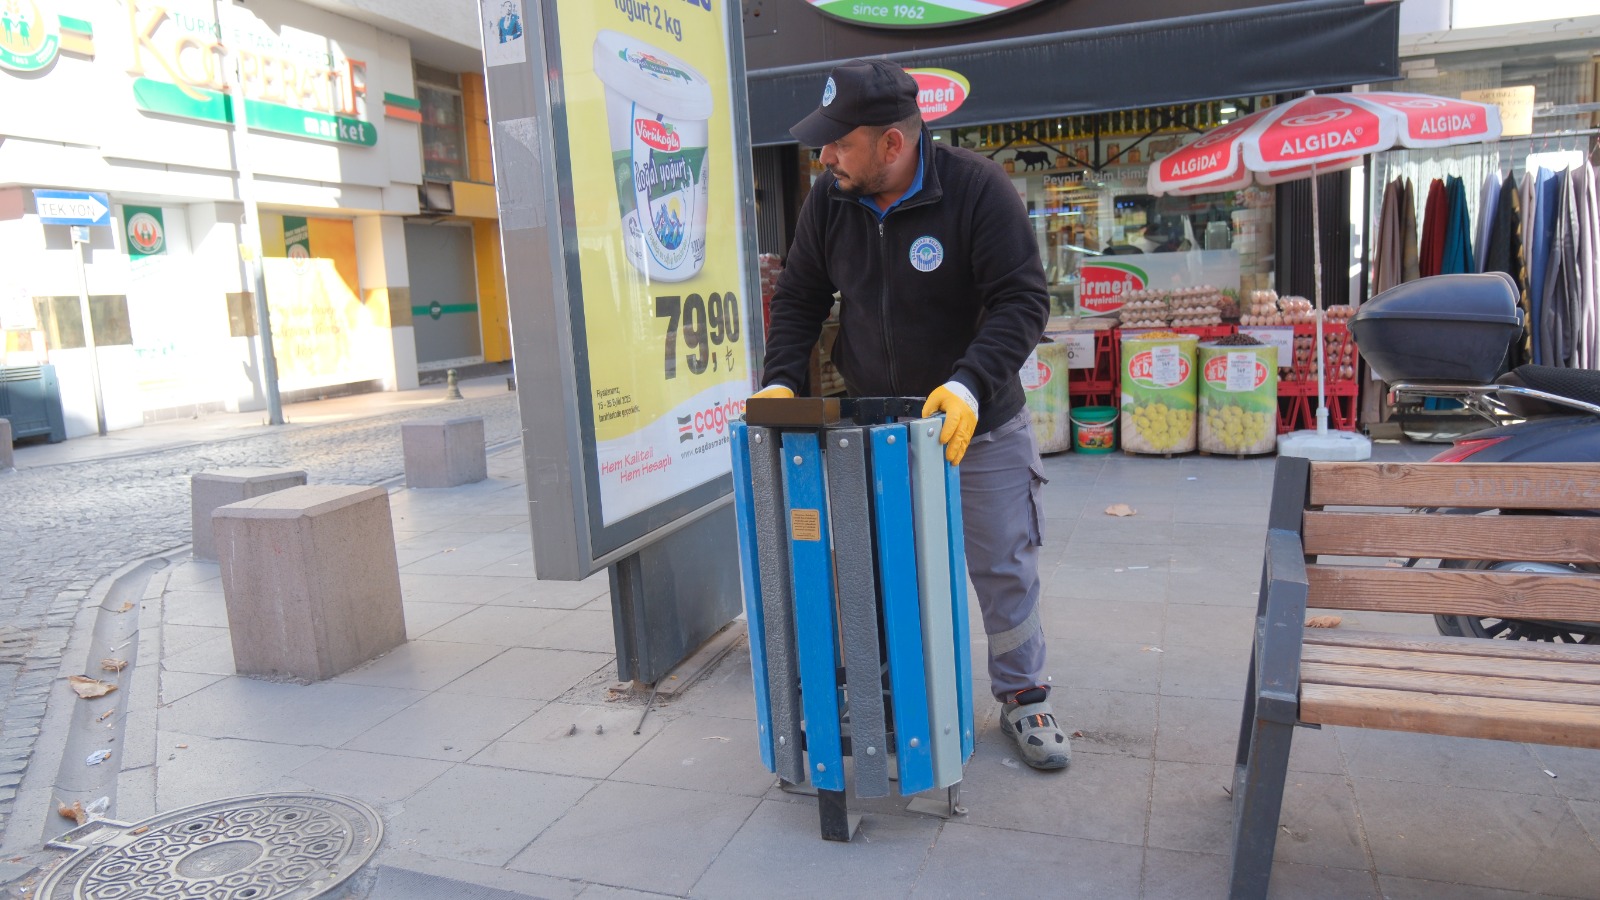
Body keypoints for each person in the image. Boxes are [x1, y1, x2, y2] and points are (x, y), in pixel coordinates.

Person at [754, 59, 1067, 770]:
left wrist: (968, 385)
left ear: (892, 145)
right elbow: (801, 297)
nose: (825, 155)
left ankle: (1024, 694)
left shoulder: (976, 190)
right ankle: (890, 686)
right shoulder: (829, 201)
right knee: (880, 567)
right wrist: (778, 382)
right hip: (881, 432)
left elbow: (1023, 301)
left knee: (1002, 564)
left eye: (840, 142)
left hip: (976, 424)